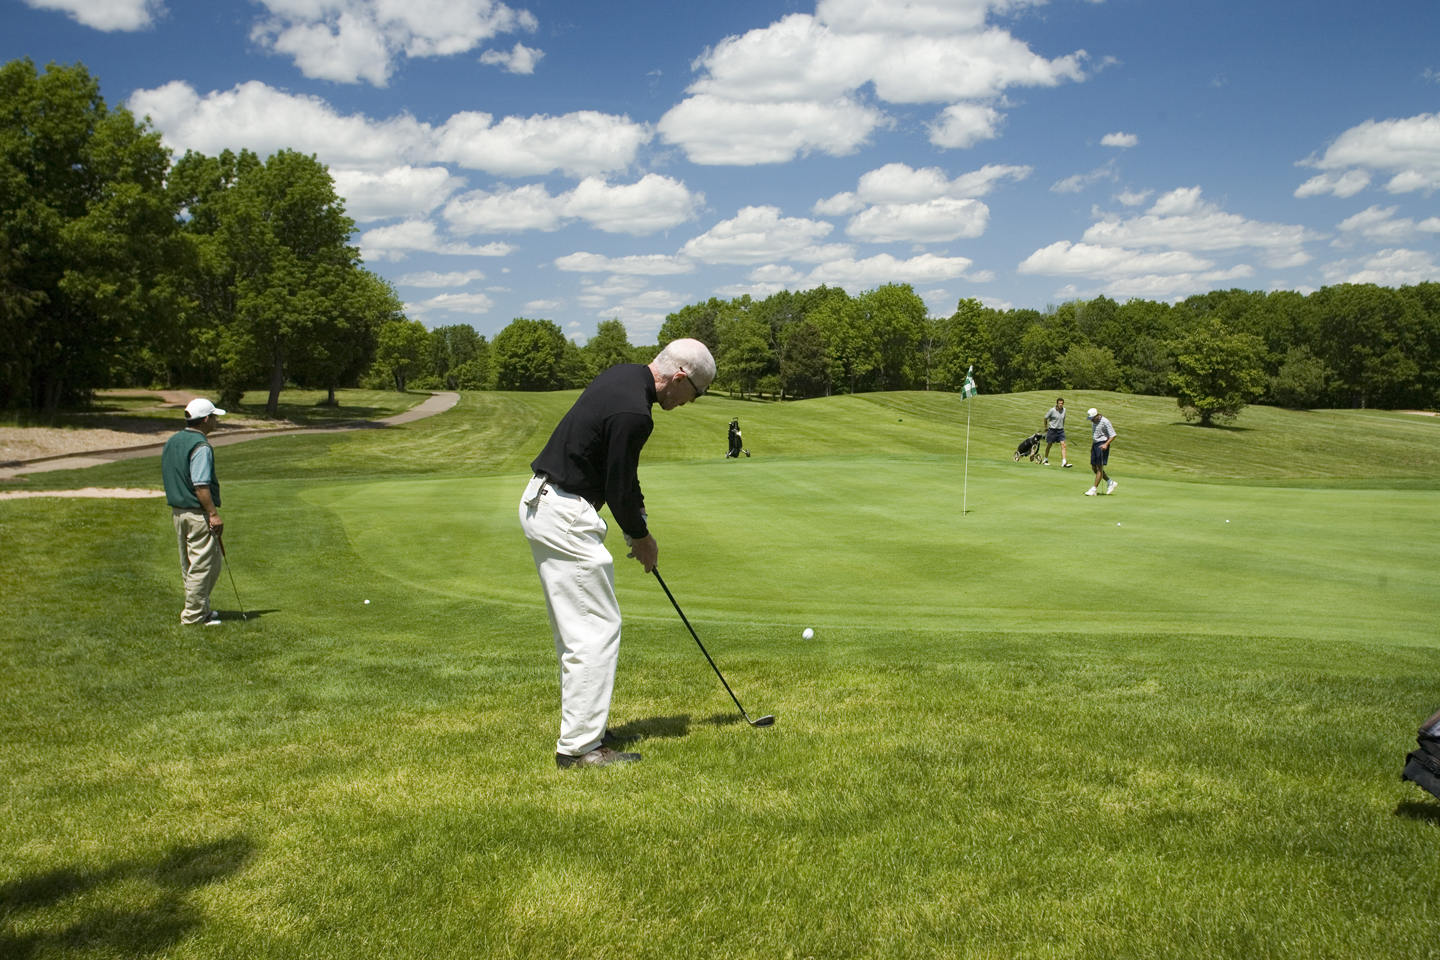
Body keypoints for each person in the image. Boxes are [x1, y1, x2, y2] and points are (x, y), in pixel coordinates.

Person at [519, 338, 716, 770]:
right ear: (680, 378)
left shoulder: (623, 377)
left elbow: (622, 472)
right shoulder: (635, 413)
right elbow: (618, 488)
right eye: (694, 394)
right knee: (595, 629)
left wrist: (637, 517)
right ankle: (580, 749)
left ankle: (587, 731)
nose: (688, 403)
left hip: (545, 501)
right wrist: (641, 537)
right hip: (565, 512)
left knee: (578, 631)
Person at [161, 398, 227, 625]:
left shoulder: (173, 440)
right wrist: (213, 514)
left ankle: (201, 608)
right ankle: (194, 616)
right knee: (203, 566)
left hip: (178, 512)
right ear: (206, 419)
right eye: (215, 417)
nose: (217, 421)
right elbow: (201, 485)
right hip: (197, 513)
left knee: (193, 565)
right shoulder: (201, 446)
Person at [1084, 407, 1118, 496]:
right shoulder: (1094, 422)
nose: (1091, 421)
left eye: (1092, 419)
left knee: (1099, 467)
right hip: (1095, 444)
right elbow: (1095, 435)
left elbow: (1113, 435)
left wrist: (1106, 444)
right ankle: (1110, 482)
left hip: (1103, 445)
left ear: (1096, 415)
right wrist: (1093, 446)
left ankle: (1094, 489)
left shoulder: (1105, 421)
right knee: (1094, 468)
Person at [1042, 397, 1071, 467]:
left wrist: (1062, 426)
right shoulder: (1052, 410)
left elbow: (1063, 419)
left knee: (1063, 444)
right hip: (1052, 430)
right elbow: (1045, 418)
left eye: (1062, 403)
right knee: (1049, 445)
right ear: (1057, 404)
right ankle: (1045, 459)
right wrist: (1046, 427)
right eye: (1059, 403)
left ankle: (1064, 462)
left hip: (1060, 430)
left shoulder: (1064, 410)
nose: (1060, 405)